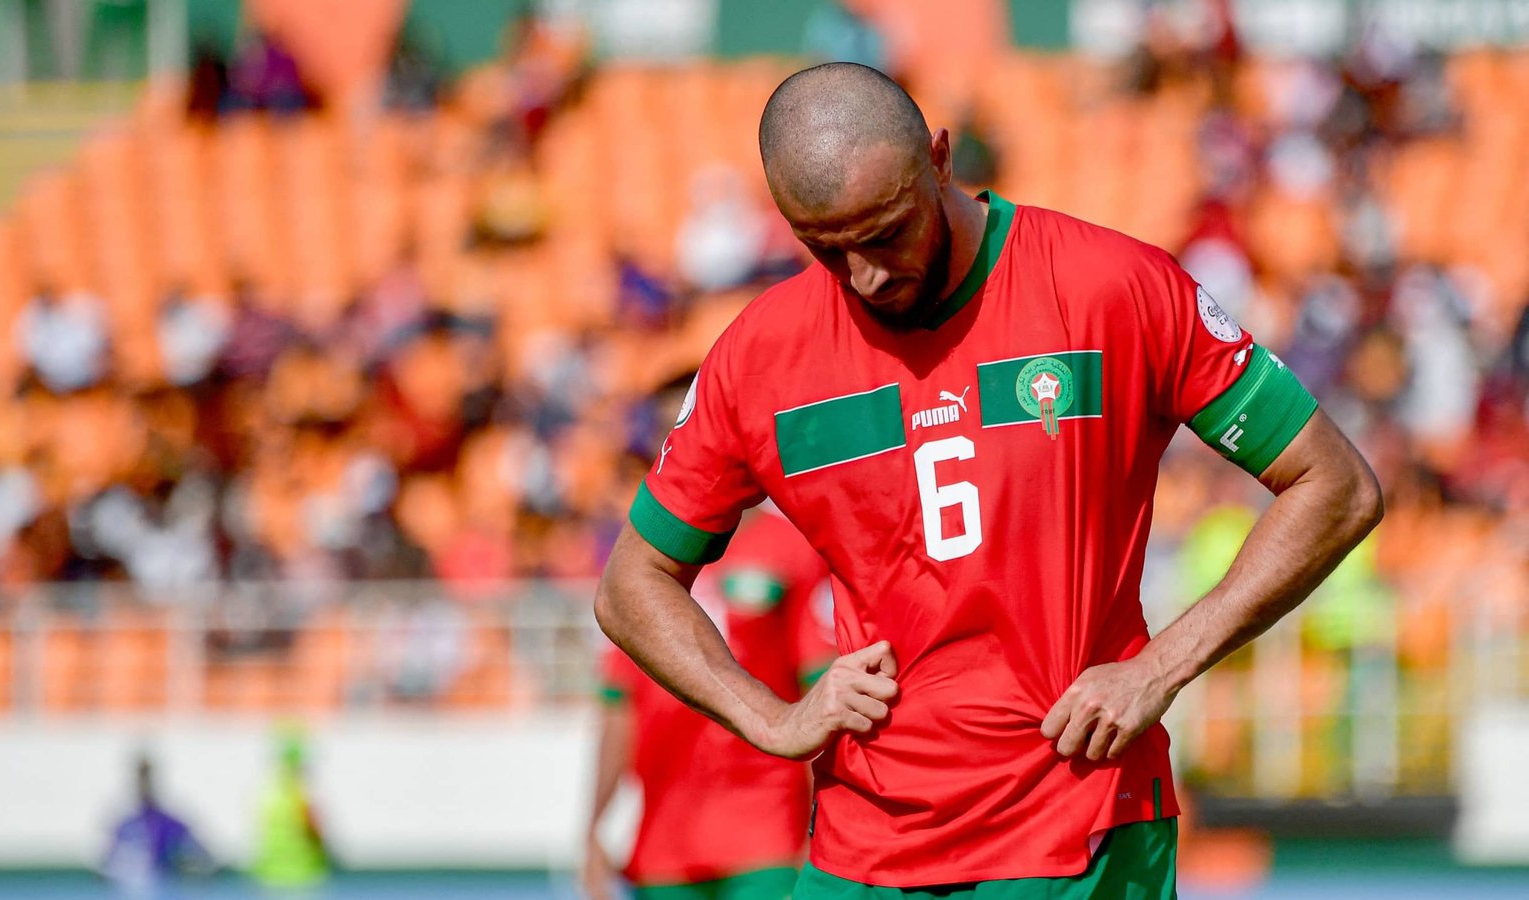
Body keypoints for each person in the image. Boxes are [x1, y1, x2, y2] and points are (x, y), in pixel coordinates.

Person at [595, 62, 1383, 898]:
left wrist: (1161, 666)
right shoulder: (761, 356)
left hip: (1079, 830)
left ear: (939, 159)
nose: (865, 275)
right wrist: (773, 718)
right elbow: (631, 584)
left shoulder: (1108, 287)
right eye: (827, 248)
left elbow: (1335, 485)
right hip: (860, 851)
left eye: (886, 232)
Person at [584, 497, 834, 900]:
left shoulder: (792, 548)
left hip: (765, 834)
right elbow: (619, 703)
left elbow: (820, 693)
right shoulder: (637, 556)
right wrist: (593, 827)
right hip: (662, 844)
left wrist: (824, 827)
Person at [100, 754, 213, 891]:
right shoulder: (125, 825)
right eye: (141, 778)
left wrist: (185, 866)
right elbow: (108, 867)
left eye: (147, 778)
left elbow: (202, 859)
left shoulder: (170, 824)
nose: (143, 785)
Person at [253, 728, 333, 889]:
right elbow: (315, 831)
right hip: (303, 877)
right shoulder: (302, 798)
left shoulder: (267, 795)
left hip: (270, 877)